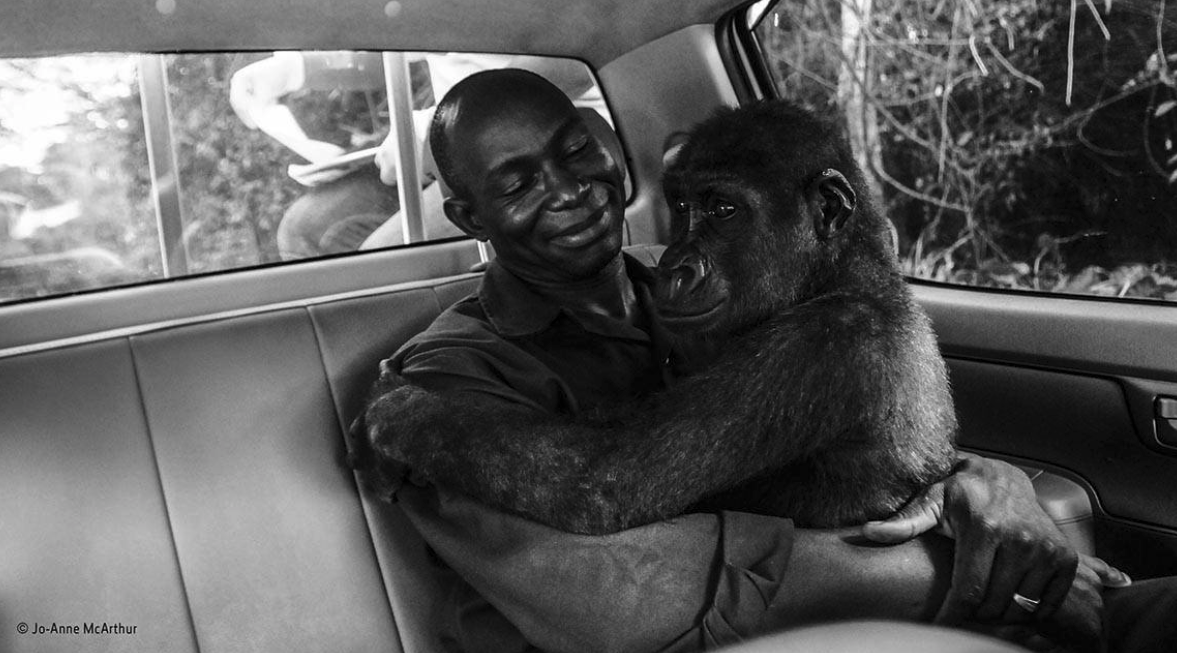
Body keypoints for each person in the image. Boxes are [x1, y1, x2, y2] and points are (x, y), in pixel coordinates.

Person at [354, 69, 1173, 652]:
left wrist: (982, 480)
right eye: (518, 182)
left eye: (576, 152)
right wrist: (958, 573)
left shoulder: (717, 290)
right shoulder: (443, 378)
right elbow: (610, 592)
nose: (571, 189)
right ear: (467, 214)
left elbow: (840, 445)